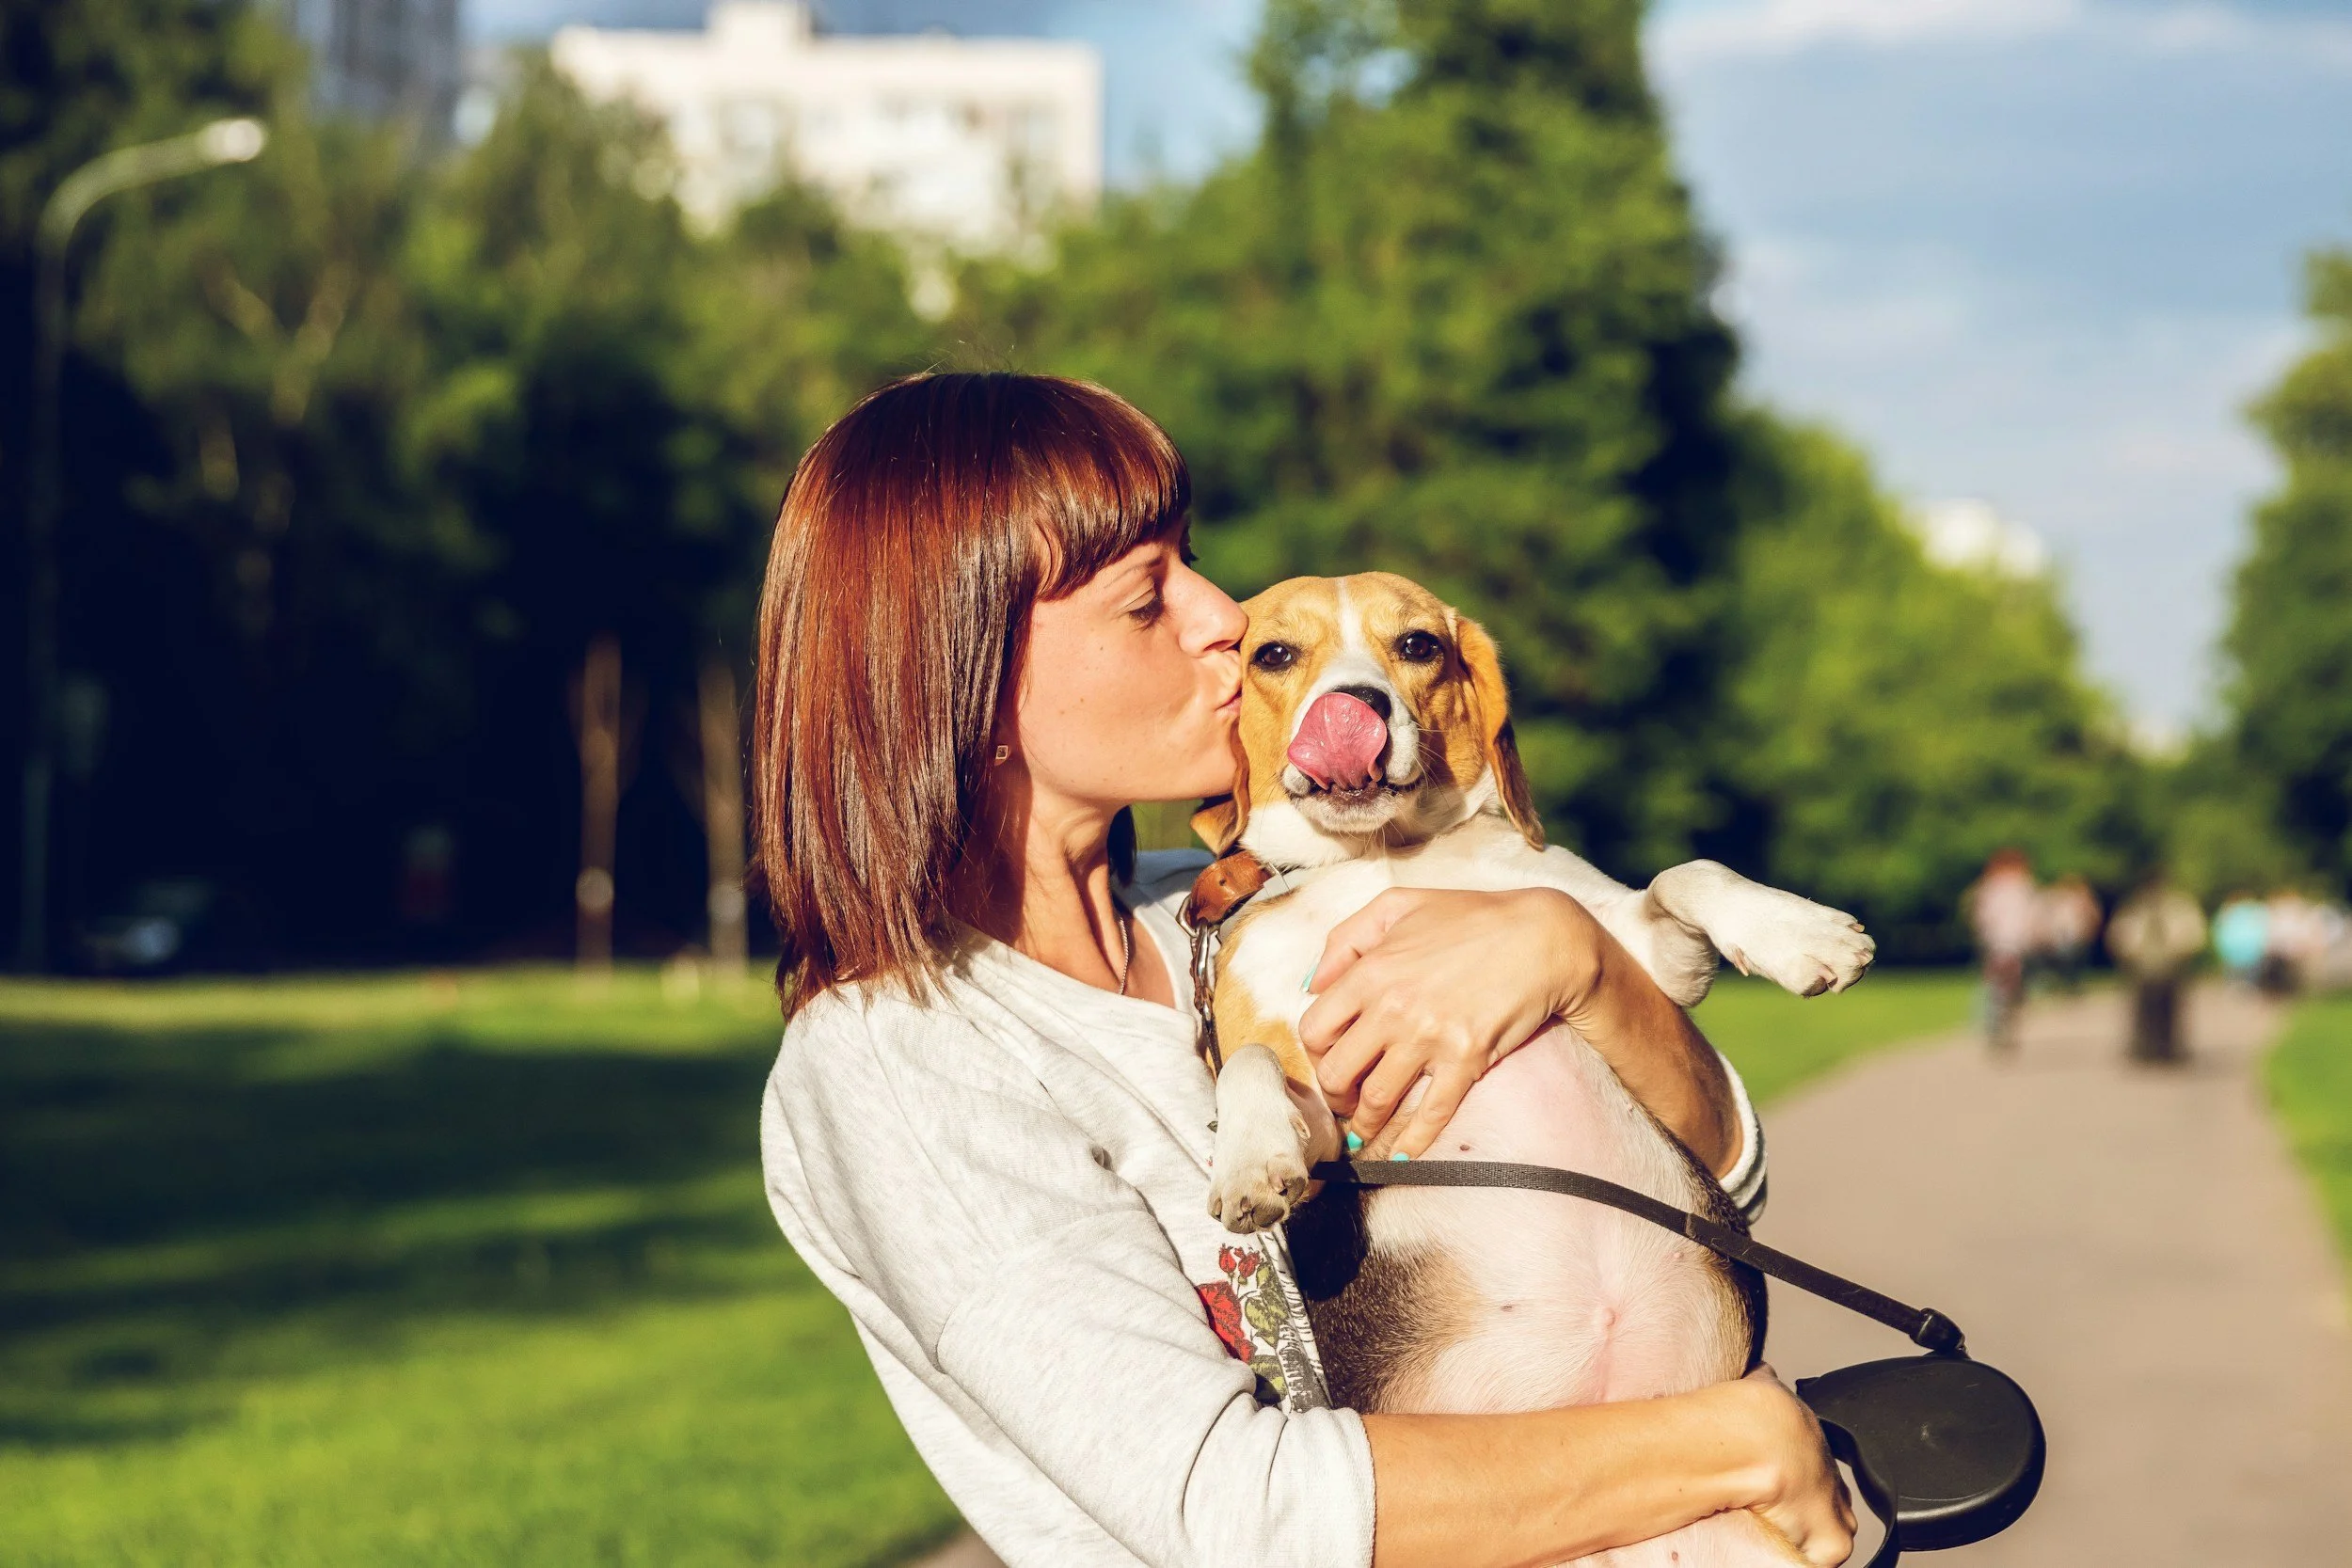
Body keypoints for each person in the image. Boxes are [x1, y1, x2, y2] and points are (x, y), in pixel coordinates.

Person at [750, 374, 1852, 1568]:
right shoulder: (902, 1055)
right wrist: (1723, 1443)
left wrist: (1574, 956)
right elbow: (1233, 1514)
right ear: (965, 672)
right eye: (1144, 596)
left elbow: (1719, 1187)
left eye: (1194, 561)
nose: (1220, 614)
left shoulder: (1234, 906)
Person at [2105, 873, 2205, 1066]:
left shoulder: (2178, 907)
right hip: (2143, 966)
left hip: (2171, 965)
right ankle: (2145, 1046)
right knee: (2144, 1010)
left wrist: (2183, 948)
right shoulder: (2136, 909)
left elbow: (2192, 931)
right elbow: (2121, 934)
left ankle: (2169, 1047)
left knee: (2171, 1010)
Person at [1965, 848, 2038, 1054]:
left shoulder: (1996, 887)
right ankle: (1997, 1026)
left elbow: (1981, 917)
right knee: (2004, 988)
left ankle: (1997, 1025)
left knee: (2001, 988)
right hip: (2006, 944)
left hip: (2005, 944)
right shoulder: (2014, 887)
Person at [2034, 875, 2102, 992]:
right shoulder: (2055, 900)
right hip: (2059, 938)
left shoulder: (2080, 900)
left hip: (2075, 938)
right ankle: (2063, 982)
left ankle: (2070, 983)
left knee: (2072, 960)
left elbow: (2093, 917)